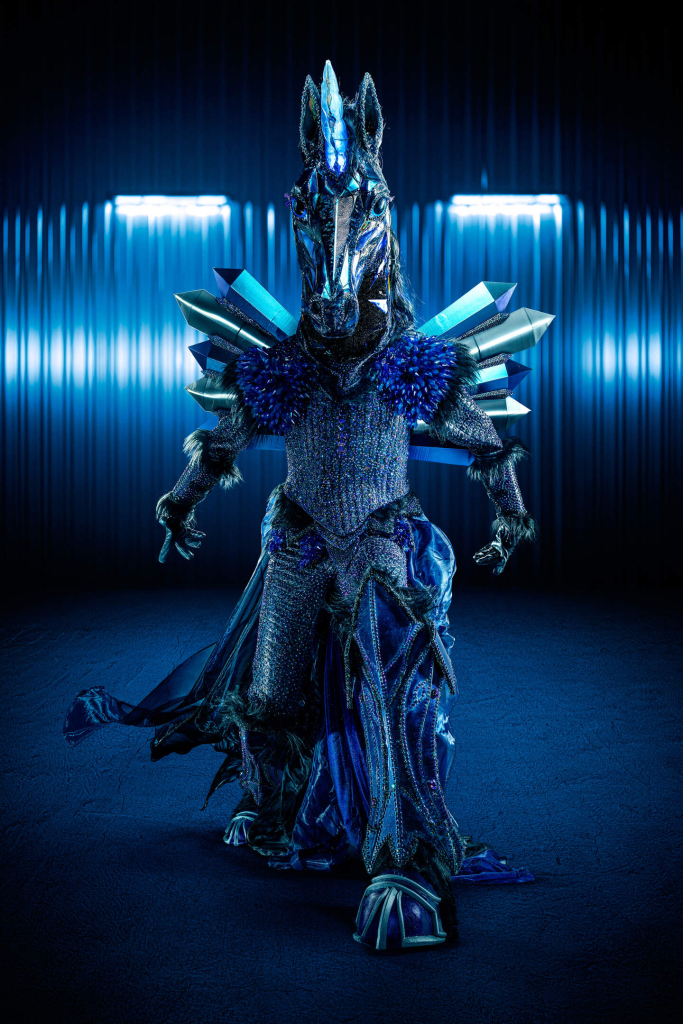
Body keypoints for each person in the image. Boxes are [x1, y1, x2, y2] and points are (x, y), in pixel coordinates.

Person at [66, 62, 542, 951]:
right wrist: (179, 501)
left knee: (392, 687)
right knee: (271, 692)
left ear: (380, 232)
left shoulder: (416, 365)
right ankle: (275, 808)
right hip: (296, 539)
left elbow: (485, 442)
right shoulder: (279, 366)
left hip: (381, 539)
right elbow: (223, 440)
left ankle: (406, 861)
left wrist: (509, 514)